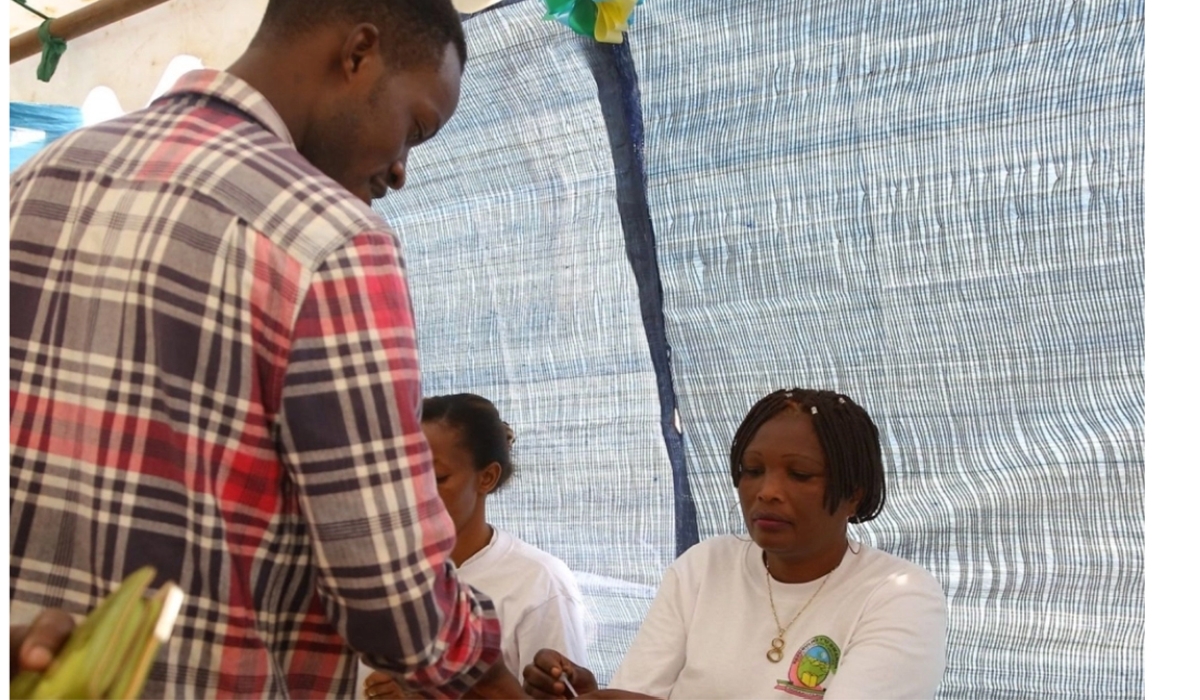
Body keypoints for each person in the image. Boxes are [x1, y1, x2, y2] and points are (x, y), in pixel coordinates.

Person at [9, 1, 522, 697]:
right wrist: (486, 666)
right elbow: (393, 601)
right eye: (414, 130)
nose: (401, 171)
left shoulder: (33, 183)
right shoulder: (333, 241)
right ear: (358, 54)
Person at [523, 389, 948, 699]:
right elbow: (642, 691)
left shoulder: (899, 595)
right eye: (752, 470)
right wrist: (590, 695)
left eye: (799, 475)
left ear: (854, 491)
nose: (767, 492)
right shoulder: (705, 567)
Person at [363, 394, 592, 699]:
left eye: (438, 477)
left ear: (487, 477)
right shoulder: (371, 574)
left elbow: (561, 690)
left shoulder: (537, 582)